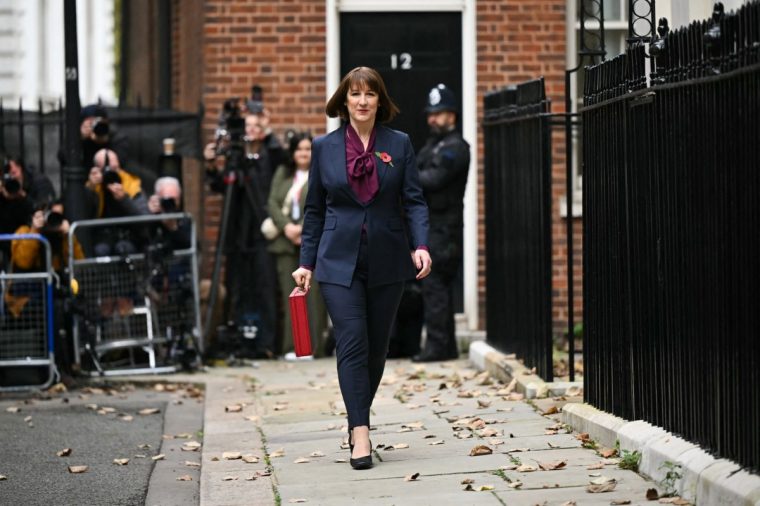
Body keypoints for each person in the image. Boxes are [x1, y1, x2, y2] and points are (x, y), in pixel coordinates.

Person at [292, 66, 432, 470]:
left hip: (388, 259)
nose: (363, 100)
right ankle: (361, 433)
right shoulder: (324, 147)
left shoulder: (399, 144)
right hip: (338, 261)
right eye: (355, 94)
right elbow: (315, 210)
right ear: (344, 101)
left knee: (375, 348)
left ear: (379, 101)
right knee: (351, 341)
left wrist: (420, 245)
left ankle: (356, 417)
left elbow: (414, 200)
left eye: (370, 94)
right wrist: (306, 262)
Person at [205, 110, 278, 359]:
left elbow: (281, 156)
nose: (252, 130)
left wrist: (269, 132)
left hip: (260, 233)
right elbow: (219, 185)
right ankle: (235, 339)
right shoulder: (234, 159)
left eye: (257, 125)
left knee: (264, 286)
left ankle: (266, 342)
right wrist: (211, 164)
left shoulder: (267, 155)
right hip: (236, 234)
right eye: (248, 125)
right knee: (236, 287)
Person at [412, 84, 470, 363]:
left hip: (445, 228)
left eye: (439, 113)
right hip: (433, 225)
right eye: (430, 114)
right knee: (437, 288)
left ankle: (436, 346)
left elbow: (432, 181)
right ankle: (446, 347)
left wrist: (408, 177)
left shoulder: (455, 148)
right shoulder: (433, 145)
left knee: (435, 285)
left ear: (452, 115)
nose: (432, 119)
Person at [265, 132, 328, 358]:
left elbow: (324, 204)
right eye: (299, 149)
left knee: (314, 298)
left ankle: (311, 348)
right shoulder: (283, 173)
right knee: (290, 297)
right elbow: (272, 203)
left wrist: (303, 228)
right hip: (285, 242)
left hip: (312, 243)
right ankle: (292, 348)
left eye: (307, 149)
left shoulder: (320, 173)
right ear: (292, 152)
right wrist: (287, 228)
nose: (303, 153)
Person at [84, 148, 149, 257]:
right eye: (106, 170)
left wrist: (124, 199)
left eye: (115, 168)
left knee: (124, 249)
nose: (111, 173)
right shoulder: (92, 187)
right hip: (101, 238)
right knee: (101, 250)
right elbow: (82, 215)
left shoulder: (131, 185)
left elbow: (144, 218)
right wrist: (90, 190)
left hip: (128, 238)